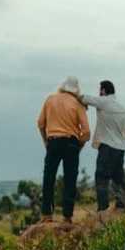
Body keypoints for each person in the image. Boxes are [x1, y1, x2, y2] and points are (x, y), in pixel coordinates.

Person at [36, 76, 90, 223]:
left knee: (49, 178)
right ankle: (67, 216)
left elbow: (40, 124)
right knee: (70, 180)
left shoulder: (50, 99)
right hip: (71, 143)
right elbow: (86, 133)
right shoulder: (78, 104)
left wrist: (46, 142)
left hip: (53, 142)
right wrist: (78, 147)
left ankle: (46, 214)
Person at [81, 80, 125, 216]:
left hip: (107, 146)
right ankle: (121, 206)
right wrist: (123, 143)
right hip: (120, 148)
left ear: (103, 91)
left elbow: (83, 98)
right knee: (118, 178)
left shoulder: (103, 102)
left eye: (100, 90)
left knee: (101, 177)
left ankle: (102, 210)